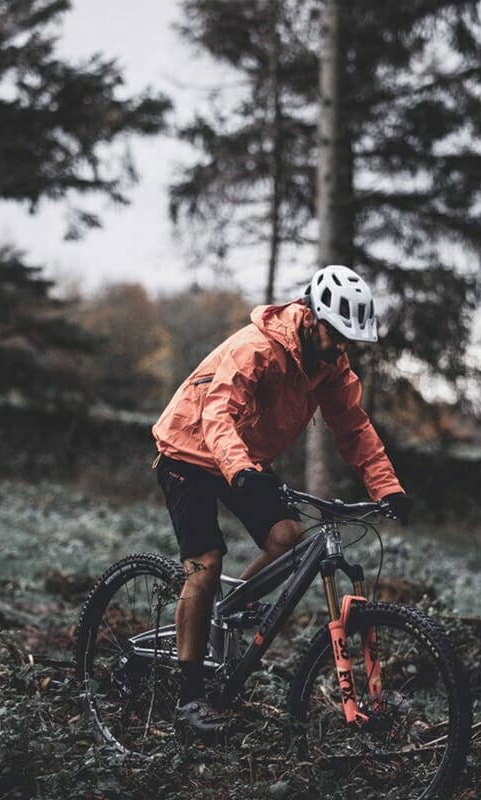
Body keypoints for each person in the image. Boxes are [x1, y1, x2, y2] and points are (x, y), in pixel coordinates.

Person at [151, 264, 414, 742]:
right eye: (336, 334)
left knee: (289, 539)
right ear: (311, 317)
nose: (342, 346)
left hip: (240, 456)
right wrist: (242, 471)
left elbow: (353, 428)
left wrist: (386, 487)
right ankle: (188, 696)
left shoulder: (330, 366)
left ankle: (226, 612)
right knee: (205, 563)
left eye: (349, 339)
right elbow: (217, 412)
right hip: (189, 450)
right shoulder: (258, 348)